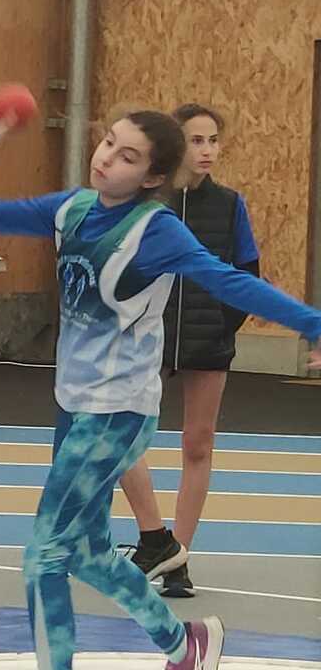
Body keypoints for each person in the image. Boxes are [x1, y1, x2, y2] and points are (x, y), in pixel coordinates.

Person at [0, 99, 321, 670]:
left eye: (127, 156)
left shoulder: (156, 231)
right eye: (108, 143)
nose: (106, 159)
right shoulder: (72, 209)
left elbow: (230, 280)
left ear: (152, 177)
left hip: (118, 412)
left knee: (44, 553)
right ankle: (186, 646)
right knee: (90, 553)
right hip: (76, 405)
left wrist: (311, 322)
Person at [118, 104, 260, 599]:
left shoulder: (230, 205)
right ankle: (153, 537)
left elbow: (247, 272)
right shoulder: (144, 203)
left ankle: (179, 559)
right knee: (120, 438)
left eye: (213, 140)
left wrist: (222, 324)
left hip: (207, 341)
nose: (207, 150)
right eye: (197, 140)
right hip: (146, 340)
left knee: (198, 445)